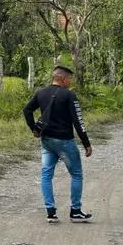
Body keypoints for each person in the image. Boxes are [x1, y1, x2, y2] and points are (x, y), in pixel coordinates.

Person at [22, 65, 93, 224]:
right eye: (69, 79)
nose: (70, 82)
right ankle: (75, 211)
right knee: (76, 174)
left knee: (46, 174)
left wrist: (34, 128)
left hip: (47, 141)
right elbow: (78, 121)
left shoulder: (41, 93)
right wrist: (86, 143)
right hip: (64, 141)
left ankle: (51, 212)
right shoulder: (69, 95)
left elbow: (27, 110)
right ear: (63, 79)